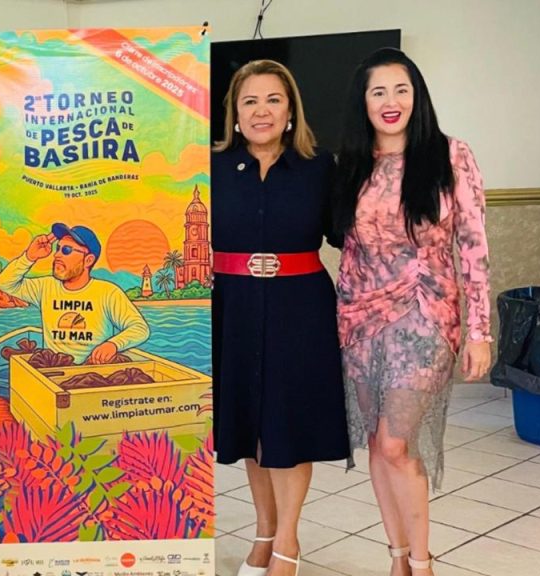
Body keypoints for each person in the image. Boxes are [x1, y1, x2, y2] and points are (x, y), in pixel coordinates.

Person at [332, 48, 492, 576]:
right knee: (376, 443)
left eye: (402, 89)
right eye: (378, 91)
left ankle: (422, 564)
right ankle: (397, 559)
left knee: (397, 442)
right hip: (360, 318)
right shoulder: (352, 162)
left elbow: (473, 247)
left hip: (426, 312)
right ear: (363, 102)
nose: (391, 101)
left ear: (417, 96)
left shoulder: (450, 155)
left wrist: (479, 332)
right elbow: (349, 250)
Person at [212, 60, 350, 576]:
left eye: (273, 99)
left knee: (287, 424)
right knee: (251, 425)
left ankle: (288, 543)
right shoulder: (213, 166)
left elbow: (349, 235)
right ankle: (264, 534)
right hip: (234, 307)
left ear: (291, 110)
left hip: (300, 309)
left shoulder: (320, 167)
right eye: (249, 101)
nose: (261, 111)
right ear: (235, 112)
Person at [0, 224, 150, 364]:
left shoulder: (107, 292)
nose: (57, 255)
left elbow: (139, 328)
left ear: (88, 260)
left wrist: (113, 344)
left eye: (66, 250)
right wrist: (29, 257)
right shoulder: (45, 287)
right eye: (58, 248)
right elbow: (4, 283)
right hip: (53, 368)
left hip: (93, 370)